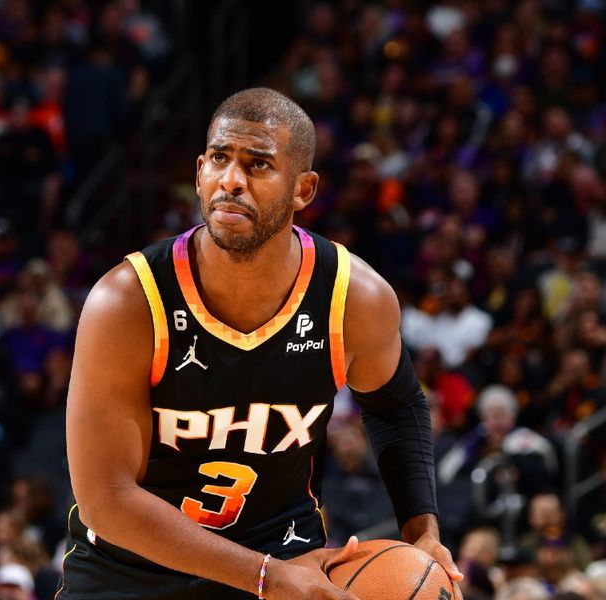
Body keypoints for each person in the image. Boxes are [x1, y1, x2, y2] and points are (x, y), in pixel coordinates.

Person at [62, 88, 463, 599]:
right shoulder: (128, 302)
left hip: (283, 553)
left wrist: (422, 534)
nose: (231, 180)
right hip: (131, 572)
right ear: (199, 171)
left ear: (304, 190)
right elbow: (107, 499)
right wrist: (266, 577)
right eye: (220, 160)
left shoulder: (353, 298)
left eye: (257, 165)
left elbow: (396, 404)